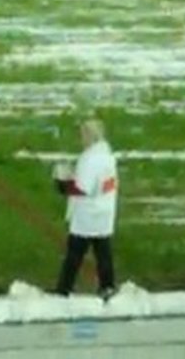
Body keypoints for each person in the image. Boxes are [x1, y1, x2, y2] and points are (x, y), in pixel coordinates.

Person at [53, 120, 118, 299]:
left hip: (87, 214)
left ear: (90, 135)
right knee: (103, 251)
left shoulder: (89, 159)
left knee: (74, 253)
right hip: (104, 210)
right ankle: (107, 286)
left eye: (83, 134)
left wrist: (63, 186)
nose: (81, 138)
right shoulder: (107, 156)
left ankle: (64, 289)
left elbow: (83, 188)